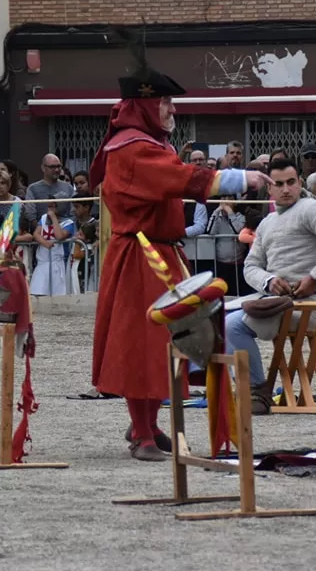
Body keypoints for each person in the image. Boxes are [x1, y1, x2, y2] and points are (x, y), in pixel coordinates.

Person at [88, 33, 270, 462]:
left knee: (168, 341)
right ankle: (144, 433)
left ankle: (146, 425)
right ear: (145, 106)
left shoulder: (145, 145)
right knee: (144, 343)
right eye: (165, 102)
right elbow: (180, 178)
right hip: (141, 255)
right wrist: (240, 178)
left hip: (157, 252)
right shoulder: (132, 149)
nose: (172, 109)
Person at [224, 157, 316, 413]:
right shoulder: (267, 223)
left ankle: (256, 392)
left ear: (300, 183)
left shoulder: (312, 209)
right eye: (279, 184)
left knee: (231, 326)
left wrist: (315, 277)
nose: (286, 189)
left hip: (307, 303)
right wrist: (269, 281)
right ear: (269, 189)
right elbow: (250, 267)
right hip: (275, 301)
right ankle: (248, 388)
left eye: (291, 182)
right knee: (220, 316)